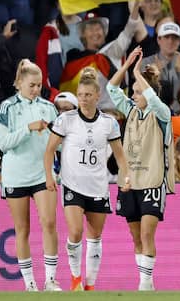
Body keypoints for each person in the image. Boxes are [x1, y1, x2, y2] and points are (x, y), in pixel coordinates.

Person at [43, 67, 130, 291]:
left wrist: (126, 176)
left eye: (88, 95)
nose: (83, 99)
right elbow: (49, 149)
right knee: (75, 232)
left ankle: (90, 285)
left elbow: (120, 155)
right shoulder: (66, 120)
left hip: (98, 186)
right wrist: (49, 176)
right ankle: (75, 278)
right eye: (80, 95)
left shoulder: (108, 123)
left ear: (97, 96)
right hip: (73, 184)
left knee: (95, 235)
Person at [108, 48, 174, 292]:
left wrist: (138, 72)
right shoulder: (132, 111)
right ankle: (144, 280)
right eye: (133, 92)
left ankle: (146, 283)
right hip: (129, 181)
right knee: (136, 236)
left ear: (150, 93)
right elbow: (111, 90)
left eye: (138, 92)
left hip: (152, 181)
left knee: (147, 233)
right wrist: (127, 68)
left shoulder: (162, 114)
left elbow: (154, 100)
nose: (133, 96)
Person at [0, 60, 59, 291]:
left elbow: (58, 142)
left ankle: (51, 280)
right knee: (22, 229)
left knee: (50, 223)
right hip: (16, 175)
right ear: (19, 83)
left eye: (39, 85)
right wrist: (27, 129)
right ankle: (30, 284)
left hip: (43, 174)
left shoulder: (49, 107)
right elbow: (3, 143)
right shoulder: (6, 107)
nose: (36, 90)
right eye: (31, 85)